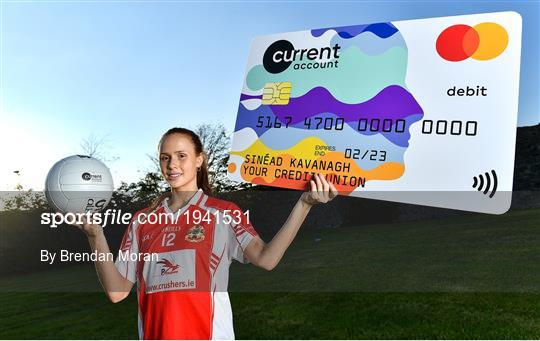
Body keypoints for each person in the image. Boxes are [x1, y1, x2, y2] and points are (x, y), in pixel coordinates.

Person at [72, 127, 338, 340]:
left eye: (181, 156)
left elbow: (267, 259)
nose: (172, 164)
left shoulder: (224, 212)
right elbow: (117, 292)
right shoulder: (142, 221)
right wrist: (95, 235)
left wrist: (304, 204)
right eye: (165, 158)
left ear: (199, 159)